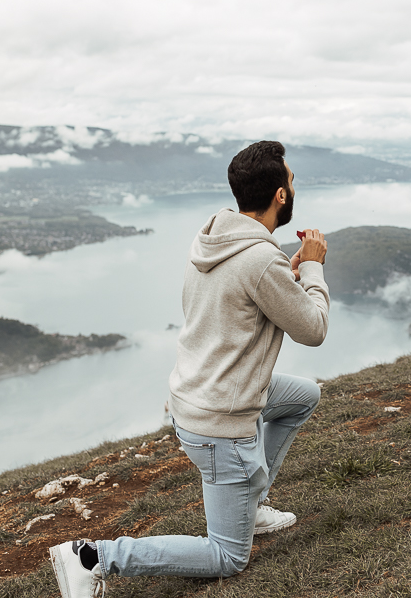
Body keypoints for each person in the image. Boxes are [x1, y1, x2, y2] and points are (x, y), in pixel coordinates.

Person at [49, 141, 329, 597]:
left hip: (195, 393)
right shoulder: (259, 259)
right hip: (220, 419)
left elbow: (247, 297)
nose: (294, 188)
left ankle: (250, 504)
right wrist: (314, 269)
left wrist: (291, 275)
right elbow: (313, 328)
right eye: (292, 181)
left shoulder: (216, 239)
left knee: (303, 396)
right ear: (281, 195)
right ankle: (93, 556)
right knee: (228, 556)